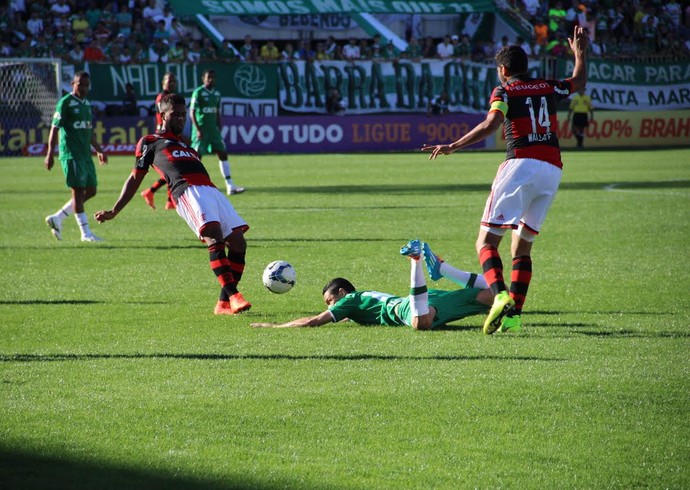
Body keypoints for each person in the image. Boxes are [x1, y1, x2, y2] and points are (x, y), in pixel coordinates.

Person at [421, 26, 588, 334]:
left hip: (521, 164)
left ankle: (499, 297)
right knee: (521, 248)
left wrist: (453, 146)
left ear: (503, 70)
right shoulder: (547, 86)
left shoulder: (505, 91)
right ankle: (514, 314)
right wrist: (580, 55)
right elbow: (578, 82)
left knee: (485, 242)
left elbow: (493, 122)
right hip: (552, 170)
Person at [94, 93, 252, 316]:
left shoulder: (185, 145)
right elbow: (134, 178)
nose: (180, 118)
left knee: (238, 244)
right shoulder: (149, 142)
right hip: (188, 191)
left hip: (211, 190)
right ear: (162, 115)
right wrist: (114, 210)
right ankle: (234, 295)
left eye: (182, 114)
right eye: (175, 114)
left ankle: (223, 304)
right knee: (214, 238)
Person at [251, 240, 503, 331]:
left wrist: (274, 326)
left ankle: (415, 261)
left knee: (421, 323)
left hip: (409, 308)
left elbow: (313, 321)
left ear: (342, 292)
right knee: (497, 295)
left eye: (331, 302)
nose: (332, 308)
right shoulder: (361, 303)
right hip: (428, 298)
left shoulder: (350, 301)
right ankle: (443, 270)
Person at [44, 71, 108, 242]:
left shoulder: (86, 103)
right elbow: (54, 128)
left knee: (91, 190)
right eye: (80, 84)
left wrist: (99, 149)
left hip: (85, 155)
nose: (84, 88)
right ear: (73, 84)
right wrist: (50, 153)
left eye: (87, 85)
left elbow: (88, 131)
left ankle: (57, 217)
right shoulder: (65, 103)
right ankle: (85, 233)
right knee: (78, 192)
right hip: (71, 154)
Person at [190, 69, 244, 195]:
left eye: (213, 77)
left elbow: (217, 112)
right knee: (196, 157)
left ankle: (230, 186)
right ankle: (192, 185)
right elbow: (191, 112)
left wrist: (219, 128)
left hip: (213, 130)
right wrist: (197, 129)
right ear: (203, 78)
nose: (211, 79)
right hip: (201, 130)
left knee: (223, 153)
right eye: (208, 77)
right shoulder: (198, 93)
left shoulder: (217, 94)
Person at [141, 72, 179, 210]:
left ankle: (166, 200)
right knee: (172, 167)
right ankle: (157, 195)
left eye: (174, 81)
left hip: (171, 134)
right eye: (169, 81)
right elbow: (163, 117)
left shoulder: (172, 97)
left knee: (174, 167)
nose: (172, 83)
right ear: (163, 83)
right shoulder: (162, 98)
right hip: (164, 134)